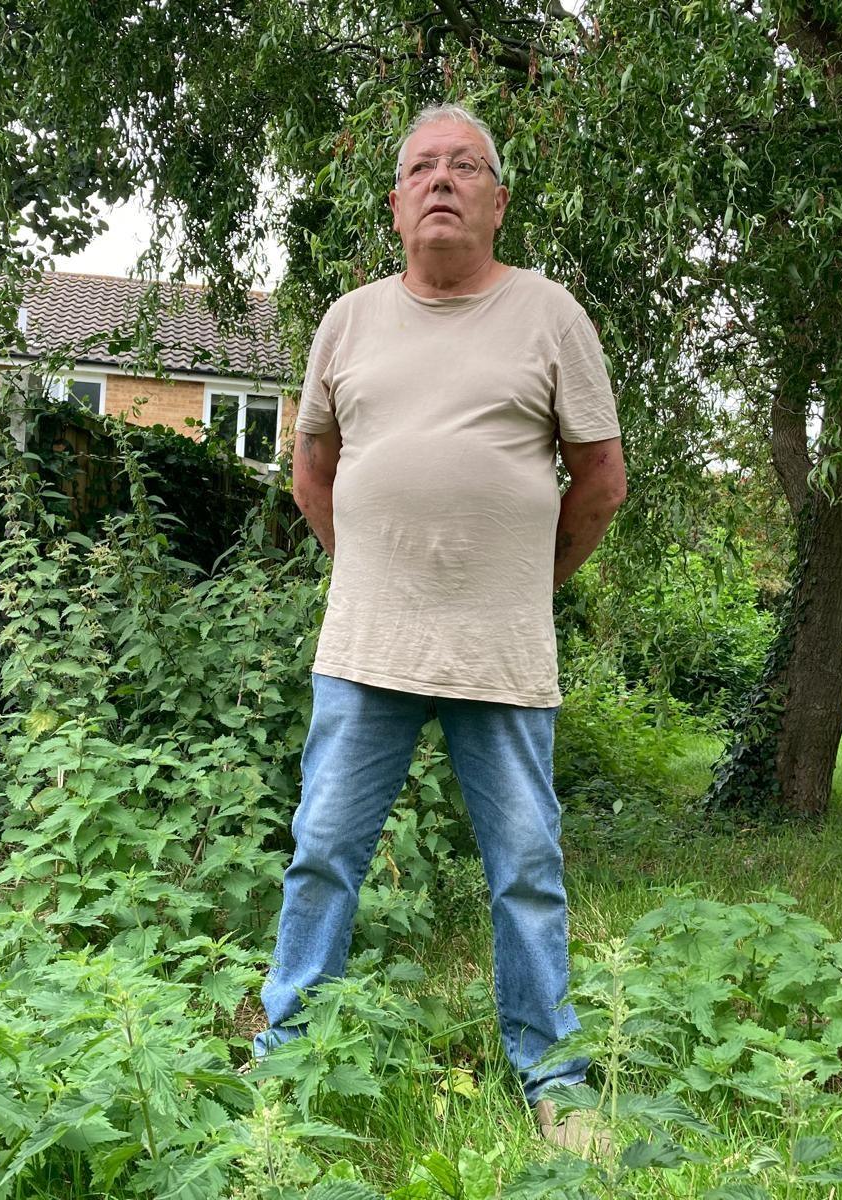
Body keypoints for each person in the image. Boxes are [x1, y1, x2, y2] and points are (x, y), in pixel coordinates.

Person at [255, 103, 627, 1147]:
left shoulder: (549, 313)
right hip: (366, 646)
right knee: (325, 850)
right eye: (421, 167)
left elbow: (600, 480)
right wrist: (371, 568)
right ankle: (286, 1061)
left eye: (466, 166)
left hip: (501, 651)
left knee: (525, 869)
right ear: (394, 202)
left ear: (499, 201)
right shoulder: (350, 319)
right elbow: (312, 468)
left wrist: (523, 582)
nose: (442, 182)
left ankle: (552, 1077)